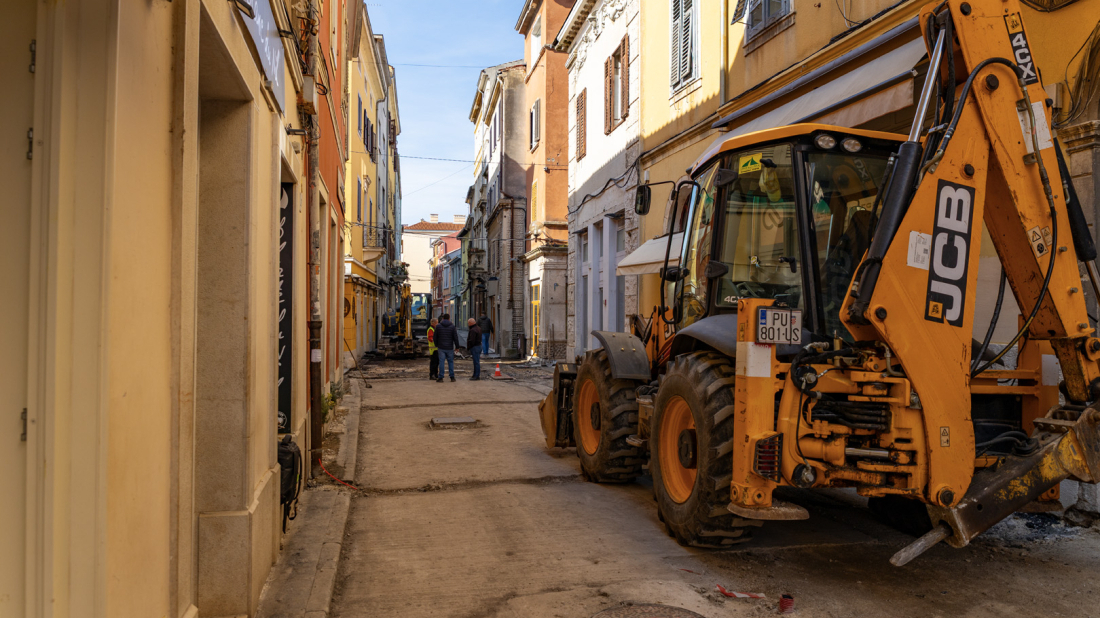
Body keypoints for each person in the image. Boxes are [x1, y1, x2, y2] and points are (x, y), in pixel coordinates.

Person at [434, 314, 458, 382]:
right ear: (449, 318)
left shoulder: (438, 326)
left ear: (443, 318)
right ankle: (452, 377)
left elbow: (435, 337)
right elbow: (455, 337)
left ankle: (441, 377)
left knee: (441, 362)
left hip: (441, 347)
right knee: (450, 362)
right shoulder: (452, 326)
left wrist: (436, 344)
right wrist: (457, 346)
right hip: (450, 347)